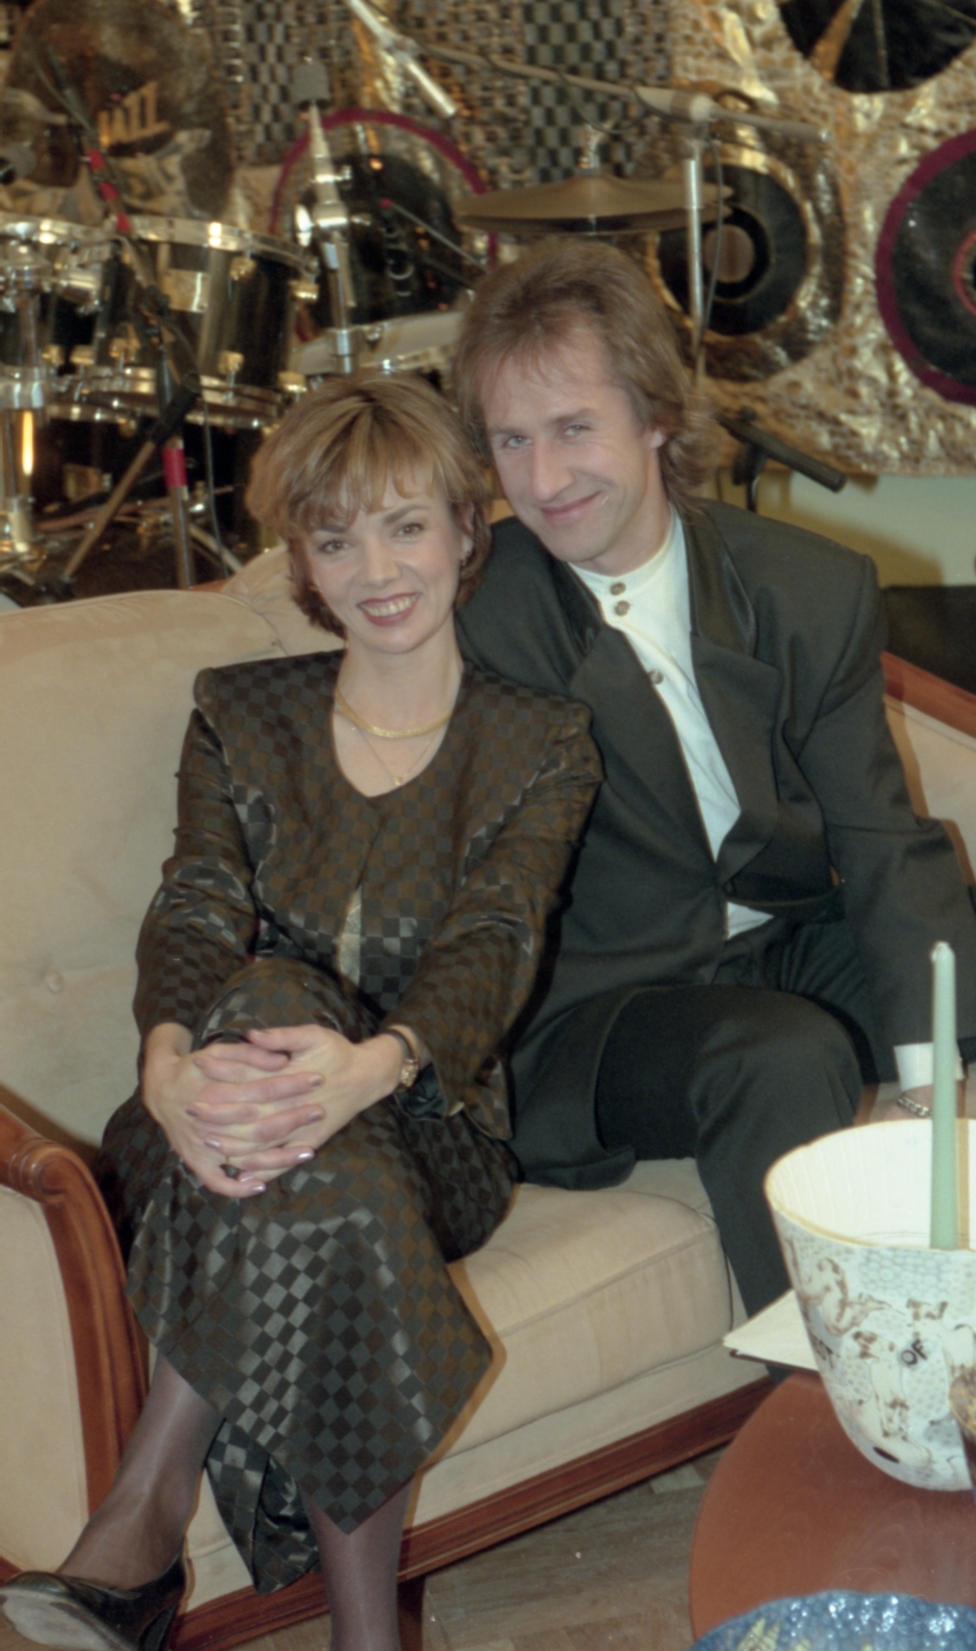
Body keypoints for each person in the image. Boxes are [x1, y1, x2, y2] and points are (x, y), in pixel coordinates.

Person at [0, 373, 600, 1651]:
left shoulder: (540, 740)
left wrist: (374, 1066)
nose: (375, 571)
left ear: (464, 530)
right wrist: (167, 1061)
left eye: (404, 526)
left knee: (318, 1116)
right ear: (304, 564)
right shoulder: (241, 710)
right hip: (207, 1119)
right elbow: (196, 905)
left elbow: (497, 937)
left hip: (433, 1124)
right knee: (288, 1067)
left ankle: (140, 1524)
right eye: (335, 540)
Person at [447, 238, 976, 1318]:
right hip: (591, 1010)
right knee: (778, 1055)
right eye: (511, 439)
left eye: (573, 428)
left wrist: (932, 1087)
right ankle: (831, 1382)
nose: (541, 481)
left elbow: (879, 836)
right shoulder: (474, 614)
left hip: (776, 944)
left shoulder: (803, 587)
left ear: (655, 414)